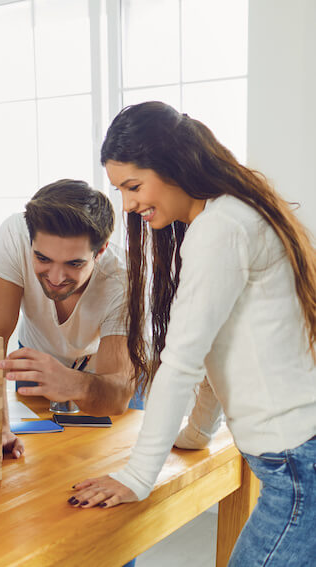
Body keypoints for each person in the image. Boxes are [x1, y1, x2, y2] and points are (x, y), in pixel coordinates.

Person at [70, 101, 316, 565]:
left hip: (297, 463)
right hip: (297, 457)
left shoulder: (221, 228)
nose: (127, 204)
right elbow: (218, 346)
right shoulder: (229, 217)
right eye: (120, 190)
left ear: (174, 166)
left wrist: (138, 476)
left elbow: (182, 360)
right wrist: (199, 432)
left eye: (133, 186)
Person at [0, 179, 135, 457]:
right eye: (43, 258)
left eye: (74, 264)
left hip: (96, 371)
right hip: (35, 361)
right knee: (39, 467)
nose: (55, 278)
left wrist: (75, 383)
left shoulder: (122, 279)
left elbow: (120, 392)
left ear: (99, 252)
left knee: (100, 458)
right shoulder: (15, 234)